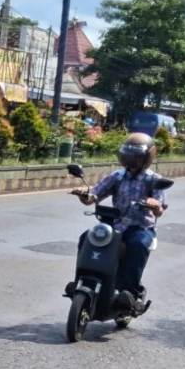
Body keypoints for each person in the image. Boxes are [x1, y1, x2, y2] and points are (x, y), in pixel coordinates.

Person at [71, 132, 166, 309]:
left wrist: (154, 205)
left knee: (137, 246)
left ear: (146, 158)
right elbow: (95, 196)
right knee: (87, 238)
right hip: (115, 225)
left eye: (135, 156)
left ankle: (130, 293)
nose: (130, 160)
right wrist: (84, 195)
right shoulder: (117, 176)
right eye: (128, 155)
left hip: (140, 227)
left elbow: (160, 210)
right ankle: (80, 282)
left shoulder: (154, 180)